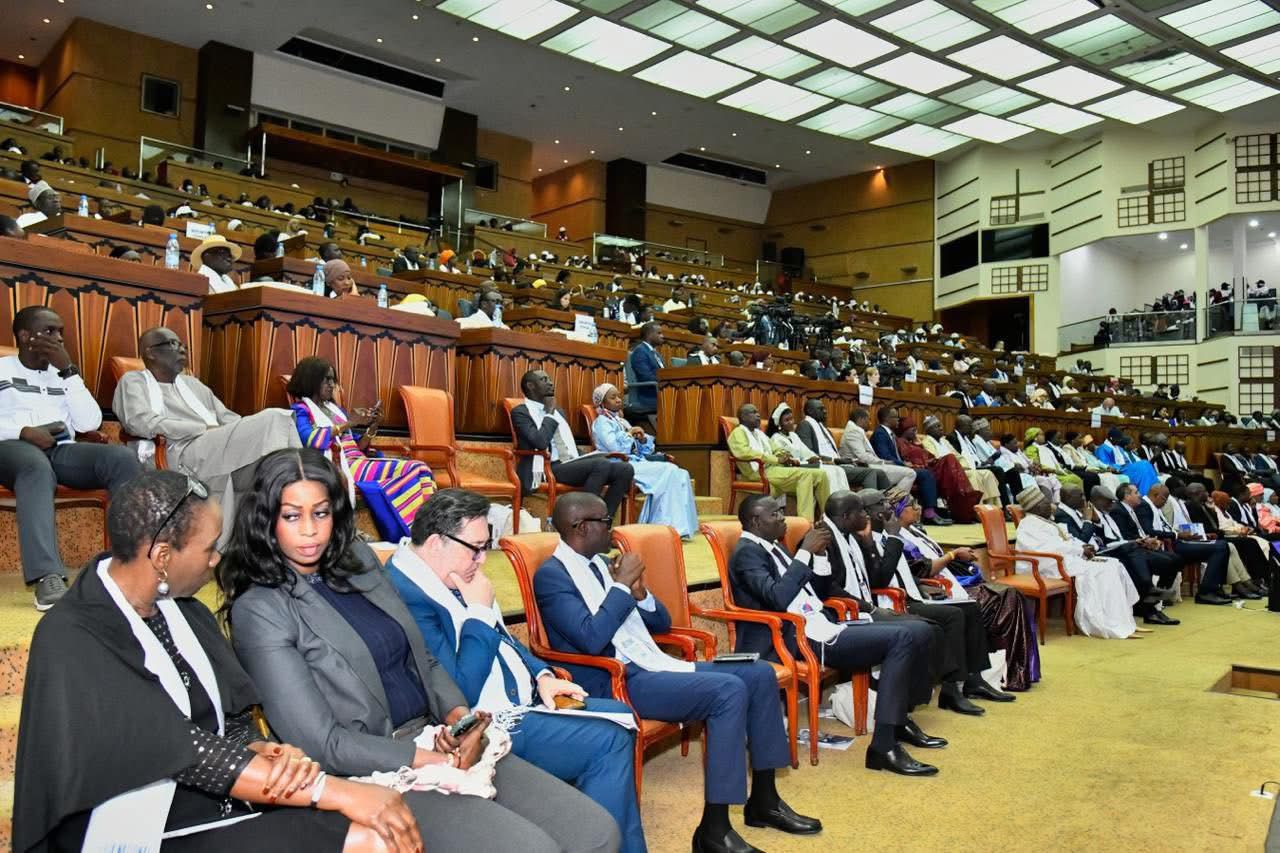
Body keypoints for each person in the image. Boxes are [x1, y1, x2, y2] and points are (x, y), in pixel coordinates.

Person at [218, 449, 620, 853]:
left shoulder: (355, 558)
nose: (310, 531)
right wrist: (426, 758)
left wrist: (460, 719)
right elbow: (327, 744)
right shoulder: (261, 608)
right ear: (265, 520)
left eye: (321, 513)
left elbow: (422, 657)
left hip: (437, 736)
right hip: (373, 767)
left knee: (597, 832)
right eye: (292, 516)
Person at [14, 468, 420, 853]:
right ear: (161, 555)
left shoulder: (186, 611)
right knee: (368, 840)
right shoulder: (73, 636)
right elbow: (176, 747)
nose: (215, 560)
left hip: (208, 793)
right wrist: (332, 790)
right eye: (208, 548)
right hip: (129, 821)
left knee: (366, 832)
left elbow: (229, 718)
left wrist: (257, 748)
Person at [535, 492, 822, 853]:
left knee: (759, 673)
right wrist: (622, 587)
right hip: (617, 679)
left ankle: (764, 800)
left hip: (651, 663)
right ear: (580, 526)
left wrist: (638, 593)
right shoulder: (552, 576)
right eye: (606, 521)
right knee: (728, 691)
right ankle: (714, 831)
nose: (612, 528)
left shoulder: (604, 564)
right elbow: (591, 640)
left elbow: (661, 623)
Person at [384, 489, 645, 852]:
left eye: (484, 548)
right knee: (608, 739)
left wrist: (544, 677)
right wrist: (477, 611)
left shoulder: (445, 572)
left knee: (619, 715)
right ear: (434, 543)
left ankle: (595, 837)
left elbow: (507, 642)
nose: (481, 560)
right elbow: (458, 691)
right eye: (474, 548)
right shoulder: (406, 593)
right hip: (481, 720)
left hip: (519, 697)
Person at [729, 494, 947, 773]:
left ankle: (897, 721)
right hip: (797, 637)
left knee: (919, 630)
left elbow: (816, 591)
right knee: (902, 637)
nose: (782, 517)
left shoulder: (774, 547)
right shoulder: (747, 553)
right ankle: (884, 745)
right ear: (756, 521)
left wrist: (818, 556)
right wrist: (805, 552)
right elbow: (778, 598)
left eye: (782, 512)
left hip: (823, 623)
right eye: (775, 514)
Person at [0, 306, 141, 609]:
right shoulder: (2, 370)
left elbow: (89, 423)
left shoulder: (62, 375)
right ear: (25, 336)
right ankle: (46, 576)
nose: (59, 338)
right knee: (34, 467)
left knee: (121, 459)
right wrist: (23, 431)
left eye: (61, 332)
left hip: (61, 448)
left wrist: (69, 372)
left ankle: (130, 563)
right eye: (50, 331)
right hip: (9, 448)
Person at [113, 326, 301, 541]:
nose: (182, 350)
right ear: (150, 352)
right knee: (276, 416)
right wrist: (200, 428)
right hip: (176, 451)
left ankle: (284, 505)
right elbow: (139, 422)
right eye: (173, 344)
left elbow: (228, 419)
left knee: (272, 430)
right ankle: (296, 491)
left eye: (183, 345)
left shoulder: (193, 385)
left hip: (212, 445)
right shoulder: (133, 381)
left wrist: (247, 431)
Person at [859, 490, 1013, 708]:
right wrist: (893, 538)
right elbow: (880, 579)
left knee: (970, 607)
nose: (888, 507)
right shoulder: (866, 540)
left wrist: (920, 585)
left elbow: (902, 572)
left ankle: (974, 679)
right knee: (953, 616)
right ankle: (951, 690)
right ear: (868, 513)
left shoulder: (887, 534)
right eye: (881, 504)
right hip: (893, 604)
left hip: (913, 595)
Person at [887, 495, 1040, 691]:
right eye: (912, 505)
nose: (918, 508)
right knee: (1005, 598)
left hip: (951, 582)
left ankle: (1013, 672)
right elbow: (923, 570)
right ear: (899, 511)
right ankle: (1006, 674)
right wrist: (953, 555)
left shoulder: (915, 531)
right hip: (936, 589)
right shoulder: (898, 540)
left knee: (1012, 595)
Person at [287, 357, 437, 536]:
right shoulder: (301, 410)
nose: (331, 384)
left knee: (421, 470)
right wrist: (349, 423)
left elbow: (359, 445)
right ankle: (424, 529)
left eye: (333, 380)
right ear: (310, 380)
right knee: (418, 467)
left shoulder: (336, 409)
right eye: (326, 379)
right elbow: (312, 439)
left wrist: (374, 425)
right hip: (343, 466)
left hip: (359, 460)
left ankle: (425, 527)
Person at [1012, 485, 1140, 639]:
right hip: (1046, 566)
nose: (1052, 506)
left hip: (1062, 560)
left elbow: (1066, 540)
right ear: (1037, 507)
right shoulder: (1029, 524)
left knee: (1113, 565)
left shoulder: (1043, 521)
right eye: (1047, 504)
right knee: (1101, 572)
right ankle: (1105, 623)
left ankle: (1123, 619)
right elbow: (1049, 548)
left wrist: (1082, 547)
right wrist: (1080, 551)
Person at [512, 369, 635, 520]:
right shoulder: (521, 412)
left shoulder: (559, 411)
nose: (550, 382)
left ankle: (603, 521)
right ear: (530, 386)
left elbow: (566, 443)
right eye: (544, 380)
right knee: (601, 465)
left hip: (570, 461)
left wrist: (589, 455)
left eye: (550, 379)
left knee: (625, 469)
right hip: (547, 466)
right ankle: (583, 519)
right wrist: (549, 412)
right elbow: (540, 441)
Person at [590, 383, 697, 538]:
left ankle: (677, 527)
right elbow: (615, 448)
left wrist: (641, 439)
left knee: (681, 473)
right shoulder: (601, 422)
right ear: (602, 403)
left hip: (636, 461)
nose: (619, 400)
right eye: (613, 398)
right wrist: (629, 434)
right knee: (669, 470)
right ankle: (663, 527)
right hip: (619, 464)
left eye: (619, 396)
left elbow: (644, 450)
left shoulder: (622, 421)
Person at [1135, 483, 1231, 608]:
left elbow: (1166, 528)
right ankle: (1206, 592)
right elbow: (1149, 531)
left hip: (1176, 541)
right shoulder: (1144, 506)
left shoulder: (1154, 507)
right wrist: (1177, 535)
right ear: (1155, 495)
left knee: (1222, 545)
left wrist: (1183, 535)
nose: (1165, 502)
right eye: (1164, 498)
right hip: (1171, 544)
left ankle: (1214, 588)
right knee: (1220, 547)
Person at [727, 403, 827, 519]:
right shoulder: (738, 433)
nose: (758, 415)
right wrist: (776, 459)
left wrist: (784, 456)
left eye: (758, 412)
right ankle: (806, 522)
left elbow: (776, 448)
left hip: (773, 469)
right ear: (743, 417)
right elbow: (745, 452)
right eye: (753, 413)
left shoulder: (759, 433)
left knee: (821, 475)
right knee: (805, 476)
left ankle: (828, 517)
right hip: (759, 472)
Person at [894, 415, 982, 523]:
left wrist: (920, 447)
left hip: (929, 468)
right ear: (905, 430)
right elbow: (910, 461)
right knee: (950, 461)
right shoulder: (901, 442)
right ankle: (961, 511)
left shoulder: (915, 443)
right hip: (920, 470)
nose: (915, 432)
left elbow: (929, 457)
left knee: (951, 464)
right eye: (912, 430)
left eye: (916, 430)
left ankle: (965, 510)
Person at [871, 406, 950, 525]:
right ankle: (928, 514)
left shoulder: (890, 434)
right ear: (887, 419)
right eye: (895, 418)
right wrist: (903, 464)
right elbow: (885, 456)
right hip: (887, 467)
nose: (898, 420)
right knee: (925, 475)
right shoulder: (880, 434)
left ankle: (930, 511)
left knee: (930, 471)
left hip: (897, 466)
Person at [794, 398, 890, 490]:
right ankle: (872, 504)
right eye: (821, 409)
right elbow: (809, 456)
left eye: (825, 409)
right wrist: (836, 460)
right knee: (870, 473)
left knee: (880, 473)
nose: (825, 411)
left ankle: (891, 503)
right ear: (810, 411)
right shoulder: (805, 425)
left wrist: (850, 461)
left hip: (838, 464)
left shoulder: (824, 429)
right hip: (827, 466)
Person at [768, 402, 850, 496]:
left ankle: (845, 500)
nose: (791, 422)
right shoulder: (776, 438)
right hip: (794, 468)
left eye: (792, 419)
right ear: (779, 424)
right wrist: (807, 461)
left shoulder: (793, 436)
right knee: (828, 472)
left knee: (838, 470)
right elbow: (787, 460)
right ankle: (831, 505)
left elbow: (805, 451)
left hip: (805, 465)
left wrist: (814, 457)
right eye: (787, 420)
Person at [921, 415, 1000, 506]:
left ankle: (993, 507)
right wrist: (958, 468)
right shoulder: (926, 441)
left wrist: (964, 467)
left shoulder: (944, 441)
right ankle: (976, 507)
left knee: (987, 474)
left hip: (959, 469)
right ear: (929, 430)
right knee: (973, 475)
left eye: (941, 425)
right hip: (945, 472)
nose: (941, 428)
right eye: (937, 426)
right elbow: (937, 460)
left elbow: (958, 456)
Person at [839, 406, 915, 499]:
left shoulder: (856, 430)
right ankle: (894, 502)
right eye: (868, 419)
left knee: (908, 472)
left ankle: (891, 500)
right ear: (861, 419)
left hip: (870, 465)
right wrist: (883, 462)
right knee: (910, 473)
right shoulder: (854, 431)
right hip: (862, 466)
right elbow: (862, 457)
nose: (870, 423)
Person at [1095, 428, 1159, 494]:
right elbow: (1105, 464)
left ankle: (1156, 490)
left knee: (1146, 464)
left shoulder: (1118, 447)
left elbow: (1126, 459)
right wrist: (1118, 467)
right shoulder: (1102, 448)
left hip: (1126, 466)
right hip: (1119, 469)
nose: (1119, 441)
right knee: (1144, 465)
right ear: (1111, 438)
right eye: (1118, 439)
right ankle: (1145, 493)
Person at [626, 322, 663, 424]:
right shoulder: (640, 351)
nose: (662, 336)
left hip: (660, 393)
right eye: (659, 333)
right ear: (649, 334)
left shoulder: (656, 354)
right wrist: (665, 383)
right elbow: (646, 377)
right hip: (648, 397)